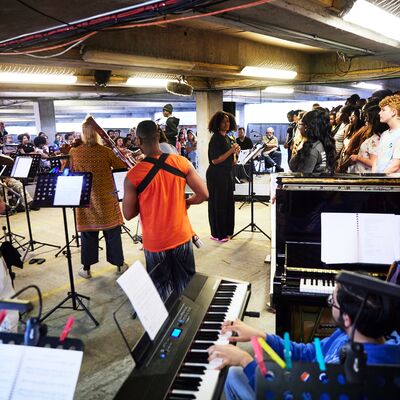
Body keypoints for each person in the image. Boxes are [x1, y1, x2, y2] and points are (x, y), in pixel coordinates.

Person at [208, 278, 400, 400]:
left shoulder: (356, 377)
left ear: (347, 318)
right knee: (237, 375)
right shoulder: (355, 333)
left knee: (234, 375)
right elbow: (309, 353)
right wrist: (262, 337)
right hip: (307, 382)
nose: (330, 304)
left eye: (332, 301)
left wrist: (245, 360)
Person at [123, 120, 208, 300]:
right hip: (182, 236)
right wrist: (188, 202)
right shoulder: (181, 162)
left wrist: (145, 199)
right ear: (158, 136)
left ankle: (169, 326)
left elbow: (128, 214)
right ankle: (189, 323)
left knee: (162, 292)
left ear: (138, 140)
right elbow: (203, 194)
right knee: (188, 289)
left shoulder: (133, 175)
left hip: (156, 242)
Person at [69, 120, 128, 279]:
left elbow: (70, 170)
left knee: (88, 234)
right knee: (113, 233)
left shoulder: (74, 152)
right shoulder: (106, 151)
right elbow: (121, 166)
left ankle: (86, 269)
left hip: (85, 198)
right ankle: (119, 265)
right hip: (106, 198)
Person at [206, 111, 240, 243]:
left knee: (227, 203)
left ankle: (226, 231)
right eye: (223, 121)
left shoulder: (227, 137)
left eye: (228, 121)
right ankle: (217, 233)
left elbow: (232, 160)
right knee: (218, 204)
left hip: (226, 173)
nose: (227, 124)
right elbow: (215, 160)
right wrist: (230, 151)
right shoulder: (216, 139)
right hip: (216, 174)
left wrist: (235, 154)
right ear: (217, 123)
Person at [289, 109, 336, 173]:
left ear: (306, 127)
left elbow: (304, 177)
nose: (299, 127)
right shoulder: (322, 143)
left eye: (300, 124)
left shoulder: (312, 149)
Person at [373, 95, 400, 173]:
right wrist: (373, 177)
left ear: (393, 112)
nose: (379, 113)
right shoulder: (385, 134)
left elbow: (396, 165)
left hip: (392, 182)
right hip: (380, 181)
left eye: (383, 110)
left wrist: (378, 179)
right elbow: (376, 159)